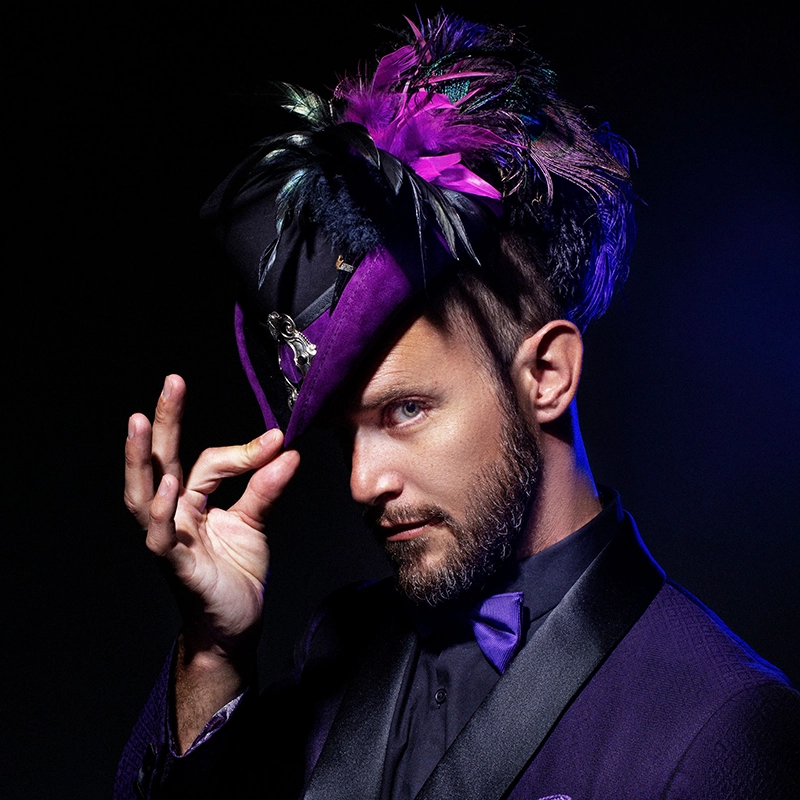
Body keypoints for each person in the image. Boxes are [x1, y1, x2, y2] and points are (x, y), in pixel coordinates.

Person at [115, 13, 800, 799]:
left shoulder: (724, 725)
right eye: (348, 435)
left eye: (405, 410)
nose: (362, 483)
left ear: (547, 375)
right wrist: (212, 651)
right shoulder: (335, 645)